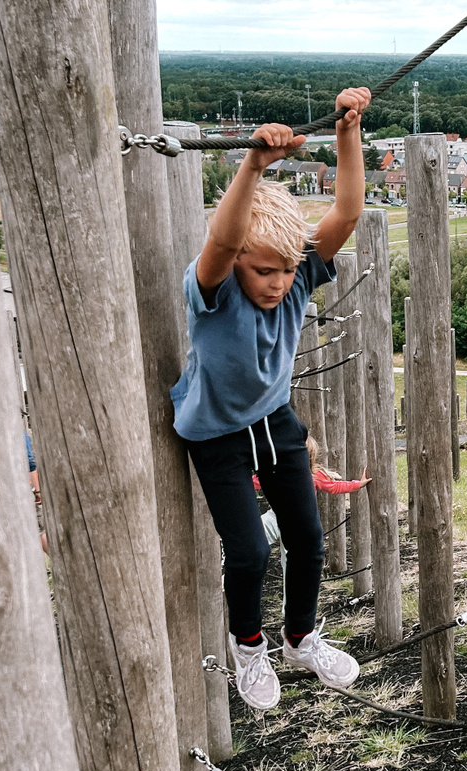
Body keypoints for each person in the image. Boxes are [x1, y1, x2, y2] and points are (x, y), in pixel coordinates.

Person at [170, 88, 371, 710]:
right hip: (216, 435)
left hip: (274, 422)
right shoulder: (214, 286)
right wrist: (253, 165)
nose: (278, 283)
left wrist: (347, 132)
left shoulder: (294, 273)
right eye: (265, 272)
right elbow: (225, 239)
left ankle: (301, 637)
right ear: (237, 268)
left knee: (307, 536)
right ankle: (248, 645)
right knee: (251, 549)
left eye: (287, 271)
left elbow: (346, 213)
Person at [258, 435, 371, 595]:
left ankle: (291, 607)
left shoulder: (314, 475)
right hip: (275, 518)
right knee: (252, 538)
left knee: (292, 566)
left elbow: (334, 487)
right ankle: (229, 561)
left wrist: (357, 484)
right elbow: (254, 481)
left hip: (297, 526)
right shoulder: (276, 472)